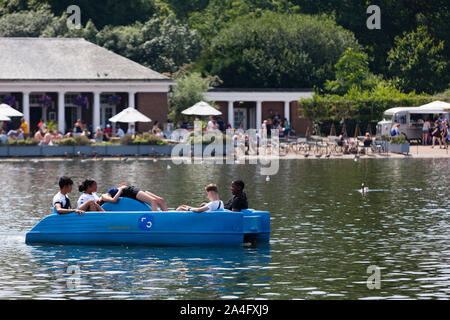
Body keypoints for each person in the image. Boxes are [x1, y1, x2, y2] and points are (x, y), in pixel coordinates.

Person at [100, 184, 168, 211]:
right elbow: (114, 200)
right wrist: (120, 189)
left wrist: (121, 188)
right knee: (153, 201)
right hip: (129, 192)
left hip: (130, 190)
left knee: (161, 200)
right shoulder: (104, 197)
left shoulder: (103, 196)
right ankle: (156, 221)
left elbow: (112, 199)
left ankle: (167, 220)